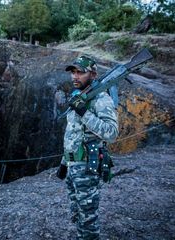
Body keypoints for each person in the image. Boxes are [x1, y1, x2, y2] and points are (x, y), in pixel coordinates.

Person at [56, 55, 119, 240]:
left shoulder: (101, 99)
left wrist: (84, 112)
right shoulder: (78, 96)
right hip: (73, 166)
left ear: (92, 74)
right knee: (77, 214)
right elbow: (72, 134)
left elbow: (112, 133)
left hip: (87, 167)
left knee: (88, 218)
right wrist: (64, 162)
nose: (75, 77)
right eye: (73, 72)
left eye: (80, 73)